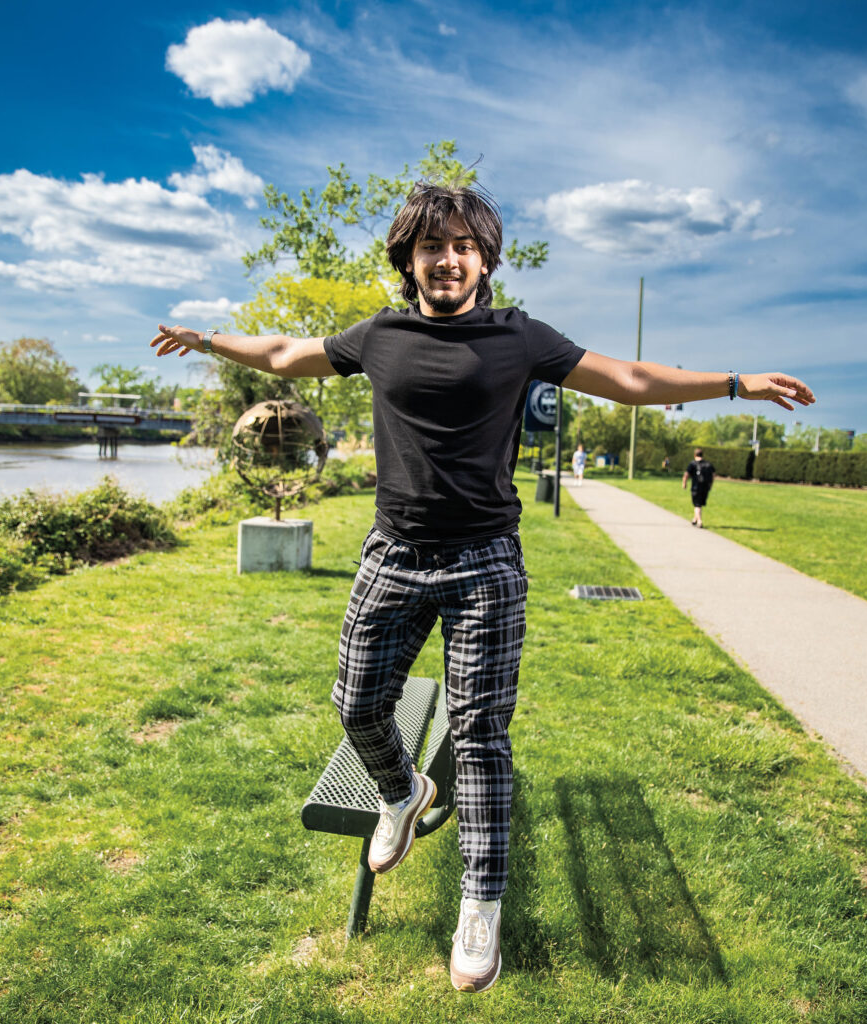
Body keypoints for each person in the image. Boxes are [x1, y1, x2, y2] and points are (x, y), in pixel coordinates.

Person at [150, 182, 814, 994]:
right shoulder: (379, 335)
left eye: (463, 245)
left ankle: (480, 902)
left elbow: (633, 379)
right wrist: (208, 340)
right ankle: (400, 792)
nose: (447, 258)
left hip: (485, 566)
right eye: (432, 246)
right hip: (391, 554)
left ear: (485, 259)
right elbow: (288, 355)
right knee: (355, 703)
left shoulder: (519, 338)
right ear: (409, 260)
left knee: (479, 736)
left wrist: (738, 384)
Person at [683, 447, 715, 527]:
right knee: (699, 504)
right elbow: (713, 475)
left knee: (697, 505)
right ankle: (695, 519)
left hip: (696, 487)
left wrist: (684, 483)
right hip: (705, 487)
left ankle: (699, 521)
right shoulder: (708, 464)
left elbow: (686, 474)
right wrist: (710, 485)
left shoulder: (693, 464)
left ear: (695, 455)